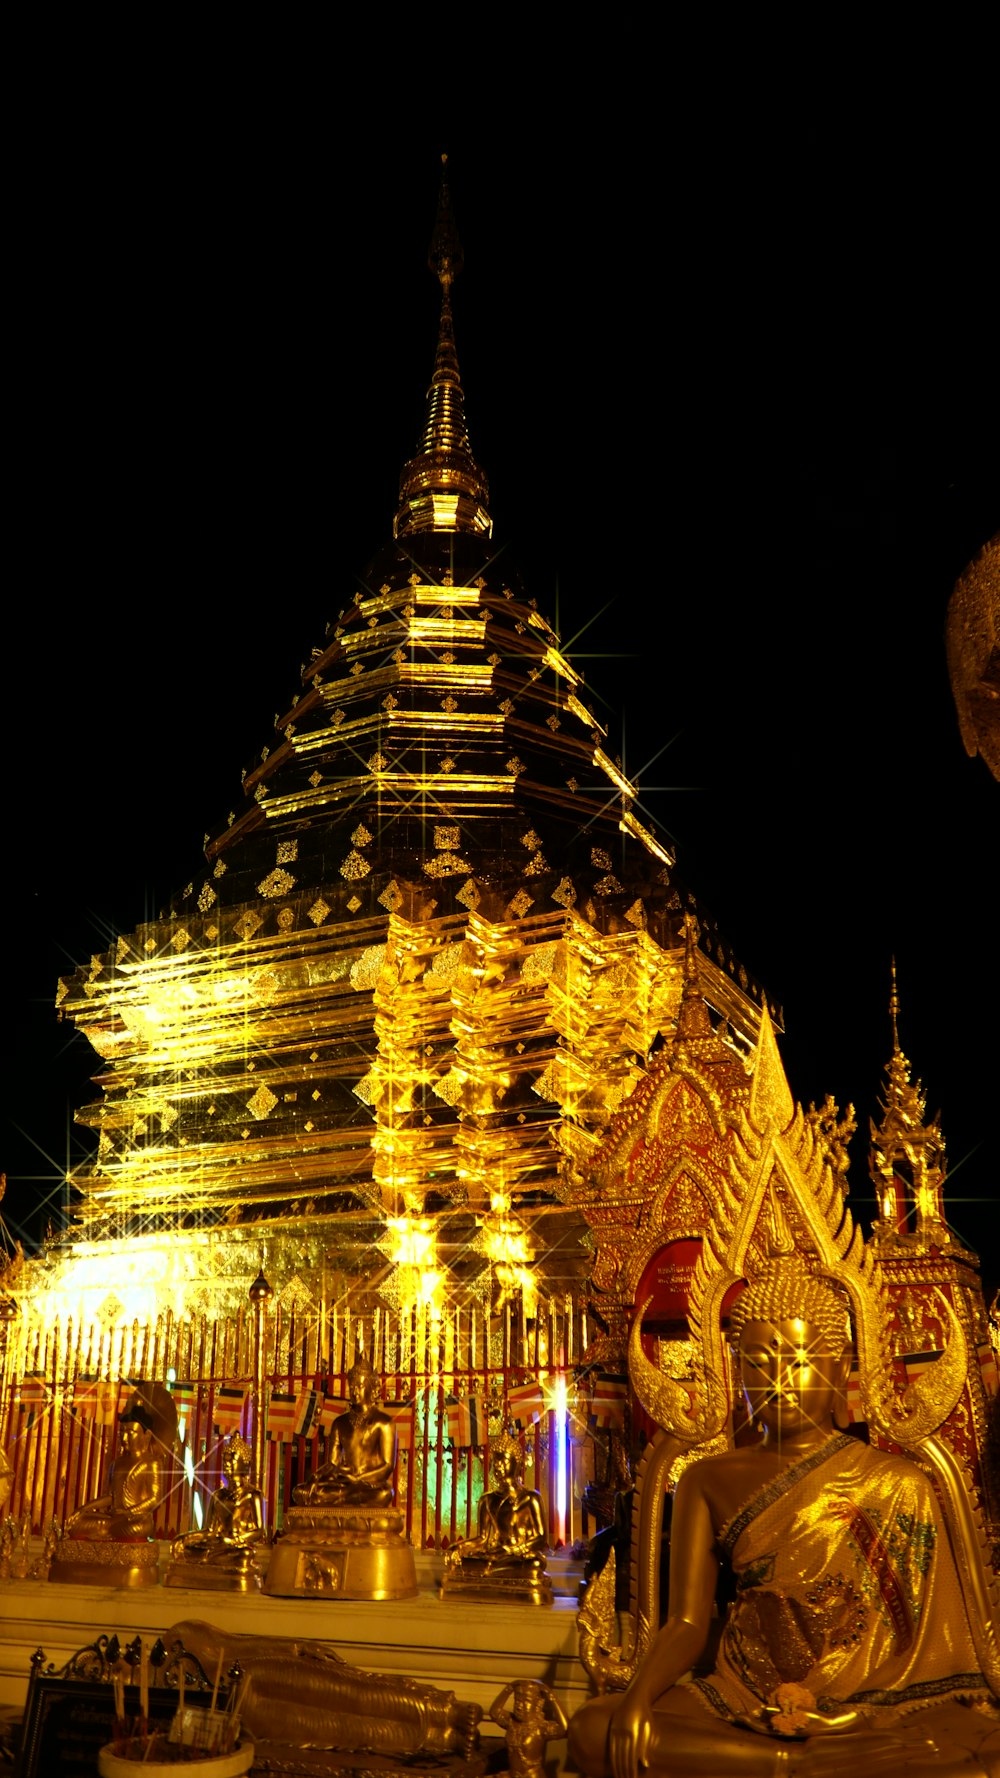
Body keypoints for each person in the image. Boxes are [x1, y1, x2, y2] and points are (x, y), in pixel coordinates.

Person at [569, 1256, 999, 1777]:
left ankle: (814, 1756)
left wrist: (855, 1711)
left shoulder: (897, 1482)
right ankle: (790, 1765)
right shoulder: (708, 1478)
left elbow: (935, 1645)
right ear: (735, 1370)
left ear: (841, 1368)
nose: (780, 1382)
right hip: (741, 1695)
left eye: (800, 1360)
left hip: (872, 1701)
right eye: (758, 1363)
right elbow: (685, 1622)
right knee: (595, 1727)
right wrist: (637, 1697)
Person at [168, 1618, 481, 1757]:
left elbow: (234, 1645)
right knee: (344, 1730)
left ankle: (445, 1710)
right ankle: (441, 1738)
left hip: (253, 1675)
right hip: (239, 1719)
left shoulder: (179, 1636)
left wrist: (295, 1647)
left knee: (353, 1692)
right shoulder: (134, 1691)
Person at [65, 1382, 177, 1539]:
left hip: (135, 1520)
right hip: (114, 1519)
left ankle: (108, 1533)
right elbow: (111, 1497)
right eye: (122, 1432)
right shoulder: (117, 1463)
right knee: (77, 1523)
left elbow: (154, 1499)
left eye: (131, 1432)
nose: (124, 1438)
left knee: (135, 1528)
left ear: (147, 1435)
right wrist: (84, 1508)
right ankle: (106, 1532)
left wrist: (129, 1512)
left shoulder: (152, 1462)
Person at [293, 1351, 395, 1508]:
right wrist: (315, 1477)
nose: (354, 1392)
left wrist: (359, 1479)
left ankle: (340, 1499)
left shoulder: (384, 1423)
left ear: (371, 1388)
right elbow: (333, 1464)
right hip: (344, 1483)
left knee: (385, 1494)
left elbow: (387, 1466)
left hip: (369, 1485)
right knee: (300, 1492)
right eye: (352, 1387)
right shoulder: (340, 1423)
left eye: (360, 1386)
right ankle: (341, 1497)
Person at [446, 1430, 547, 1578]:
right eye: (496, 1461)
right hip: (494, 1554)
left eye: (504, 1461)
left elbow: (541, 1538)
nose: (499, 1466)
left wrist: (513, 1550)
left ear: (516, 1463)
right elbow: (482, 1538)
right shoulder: (488, 1499)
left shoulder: (531, 1498)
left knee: (535, 1565)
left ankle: (491, 1571)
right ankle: (489, 1570)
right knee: (463, 1562)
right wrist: (459, 1547)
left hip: (519, 1557)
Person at [170, 1433, 264, 1567]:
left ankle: (210, 1559)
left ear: (245, 1463)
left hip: (237, 1547)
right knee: (186, 1550)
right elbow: (209, 1531)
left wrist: (234, 1540)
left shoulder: (252, 1494)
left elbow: (259, 1531)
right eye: (225, 1461)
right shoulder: (218, 1495)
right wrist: (185, 1538)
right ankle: (207, 1558)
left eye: (233, 1460)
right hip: (218, 1545)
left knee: (245, 1555)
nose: (227, 1464)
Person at [490, 1681, 568, 1778]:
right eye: (517, 1700)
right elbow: (494, 1712)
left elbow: (564, 1728)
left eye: (526, 1701)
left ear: (538, 1704)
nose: (519, 1705)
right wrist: (508, 1688)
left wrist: (551, 1696)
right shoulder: (511, 1722)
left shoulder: (540, 1728)